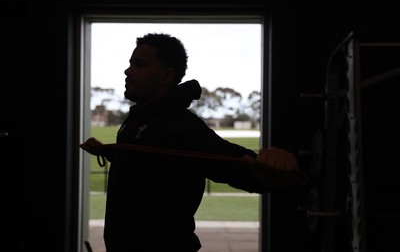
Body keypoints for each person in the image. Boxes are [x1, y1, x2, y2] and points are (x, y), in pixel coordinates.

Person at [80, 33, 305, 252]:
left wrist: (276, 169)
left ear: (166, 76)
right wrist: (107, 151)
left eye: (139, 64)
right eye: (130, 63)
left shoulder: (181, 126)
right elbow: (150, 162)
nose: (128, 71)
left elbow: (234, 166)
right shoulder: (140, 119)